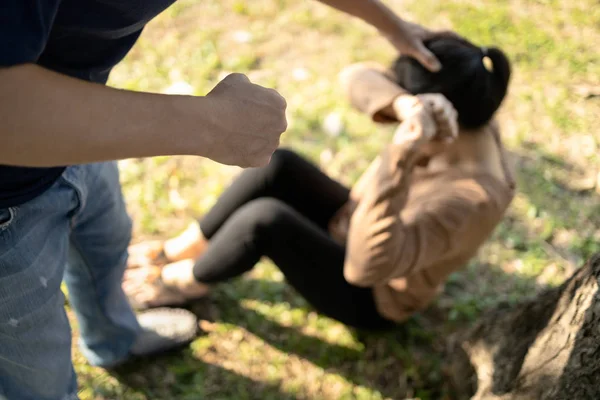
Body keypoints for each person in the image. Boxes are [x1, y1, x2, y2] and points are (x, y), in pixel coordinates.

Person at [0, 1, 447, 399]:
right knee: (39, 377)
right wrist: (210, 124)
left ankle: (115, 338)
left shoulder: (473, 193)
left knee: (107, 242)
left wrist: (391, 24)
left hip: (82, 133)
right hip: (10, 196)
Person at [124, 35, 516, 332]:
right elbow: (356, 76)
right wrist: (403, 104)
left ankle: (184, 282)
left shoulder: (470, 200)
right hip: (357, 220)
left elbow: (365, 268)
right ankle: (180, 249)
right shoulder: (470, 103)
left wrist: (401, 154)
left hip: (374, 293)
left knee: (266, 221)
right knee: (279, 165)